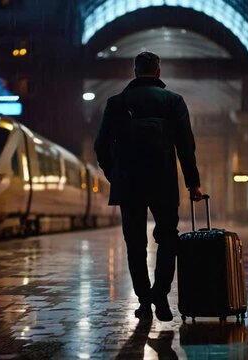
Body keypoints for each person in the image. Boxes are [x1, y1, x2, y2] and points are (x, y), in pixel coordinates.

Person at [94, 51, 202, 322]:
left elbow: (101, 145)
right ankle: (160, 296)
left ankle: (144, 301)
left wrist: (114, 174)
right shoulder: (173, 101)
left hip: (129, 184)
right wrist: (193, 184)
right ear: (158, 71)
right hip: (163, 182)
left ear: (135, 71)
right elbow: (186, 147)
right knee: (168, 240)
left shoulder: (116, 102)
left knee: (135, 244)